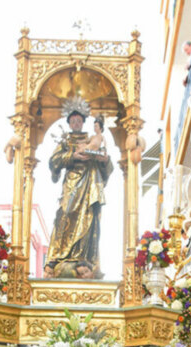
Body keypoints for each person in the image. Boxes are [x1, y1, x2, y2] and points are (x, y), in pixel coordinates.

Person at [45, 98, 113, 278]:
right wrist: (72, 156)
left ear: (83, 122)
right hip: (72, 185)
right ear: (69, 123)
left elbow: (107, 167)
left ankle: (84, 258)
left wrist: (104, 160)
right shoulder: (66, 141)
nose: (76, 123)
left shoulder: (92, 140)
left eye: (79, 120)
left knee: (88, 219)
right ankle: (58, 258)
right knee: (65, 215)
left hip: (89, 186)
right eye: (73, 120)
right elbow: (53, 162)